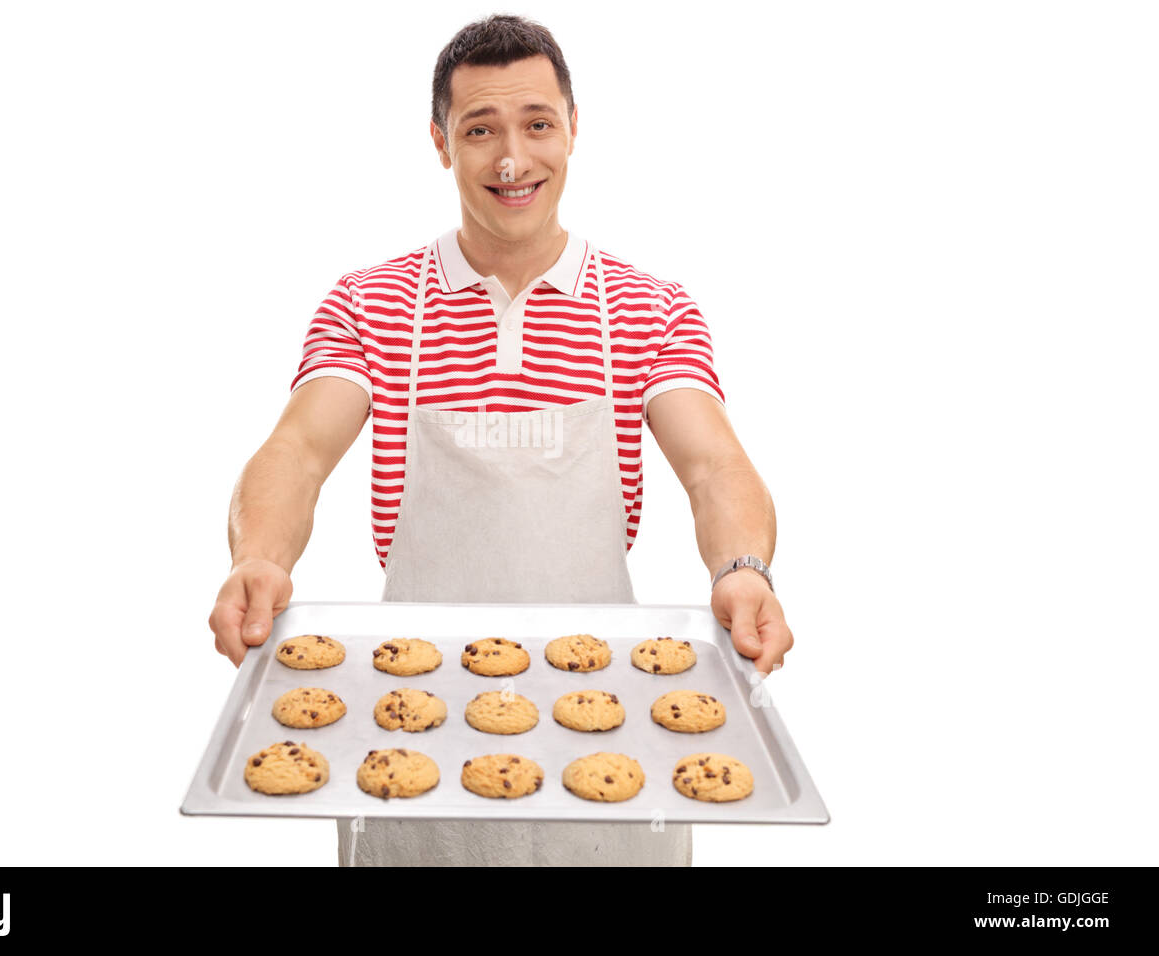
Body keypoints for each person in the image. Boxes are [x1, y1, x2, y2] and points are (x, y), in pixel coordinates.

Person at [207, 14, 794, 867]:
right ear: (442, 143)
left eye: (537, 125)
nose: (513, 160)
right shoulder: (370, 302)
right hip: (410, 731)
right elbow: (296, 452)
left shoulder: (649, 307)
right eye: (480, 130)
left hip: (609, 728)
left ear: (573, 129)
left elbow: (712, 466)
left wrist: (744, 570)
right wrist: (257, 557)